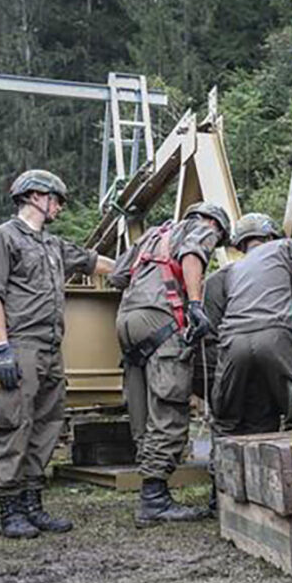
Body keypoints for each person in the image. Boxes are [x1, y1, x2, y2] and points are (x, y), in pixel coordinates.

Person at [0, 170, 115, 538]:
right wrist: (3, 348)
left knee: (47, 424)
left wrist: (138, 268)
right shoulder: (2, 238)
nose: (59, 206)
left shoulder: (53, 245)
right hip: (19, 345)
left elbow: (92, 262)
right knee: (14, 422)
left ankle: (33, 504)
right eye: (56, 199)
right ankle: (10, 509)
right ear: (36, 196)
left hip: (52, 349)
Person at [109, 201, 230, 528]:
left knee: (143, 410)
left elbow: (117, 276)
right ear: (211, 223)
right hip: (162, 321)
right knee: (170, 405)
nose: (214, 241)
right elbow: (192, 253)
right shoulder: (202, 228)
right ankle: (154, 499)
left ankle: (150, 486)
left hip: (127, 324)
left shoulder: (150, 236)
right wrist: (193, 303)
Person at [206, 212, 292, 437]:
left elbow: (212, 323)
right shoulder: (287, 247)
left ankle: (223, 468)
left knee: (226, 419)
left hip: (234, 341)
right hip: (275, 334)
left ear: (240, 244)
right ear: (271, 235)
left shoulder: (229, 271)